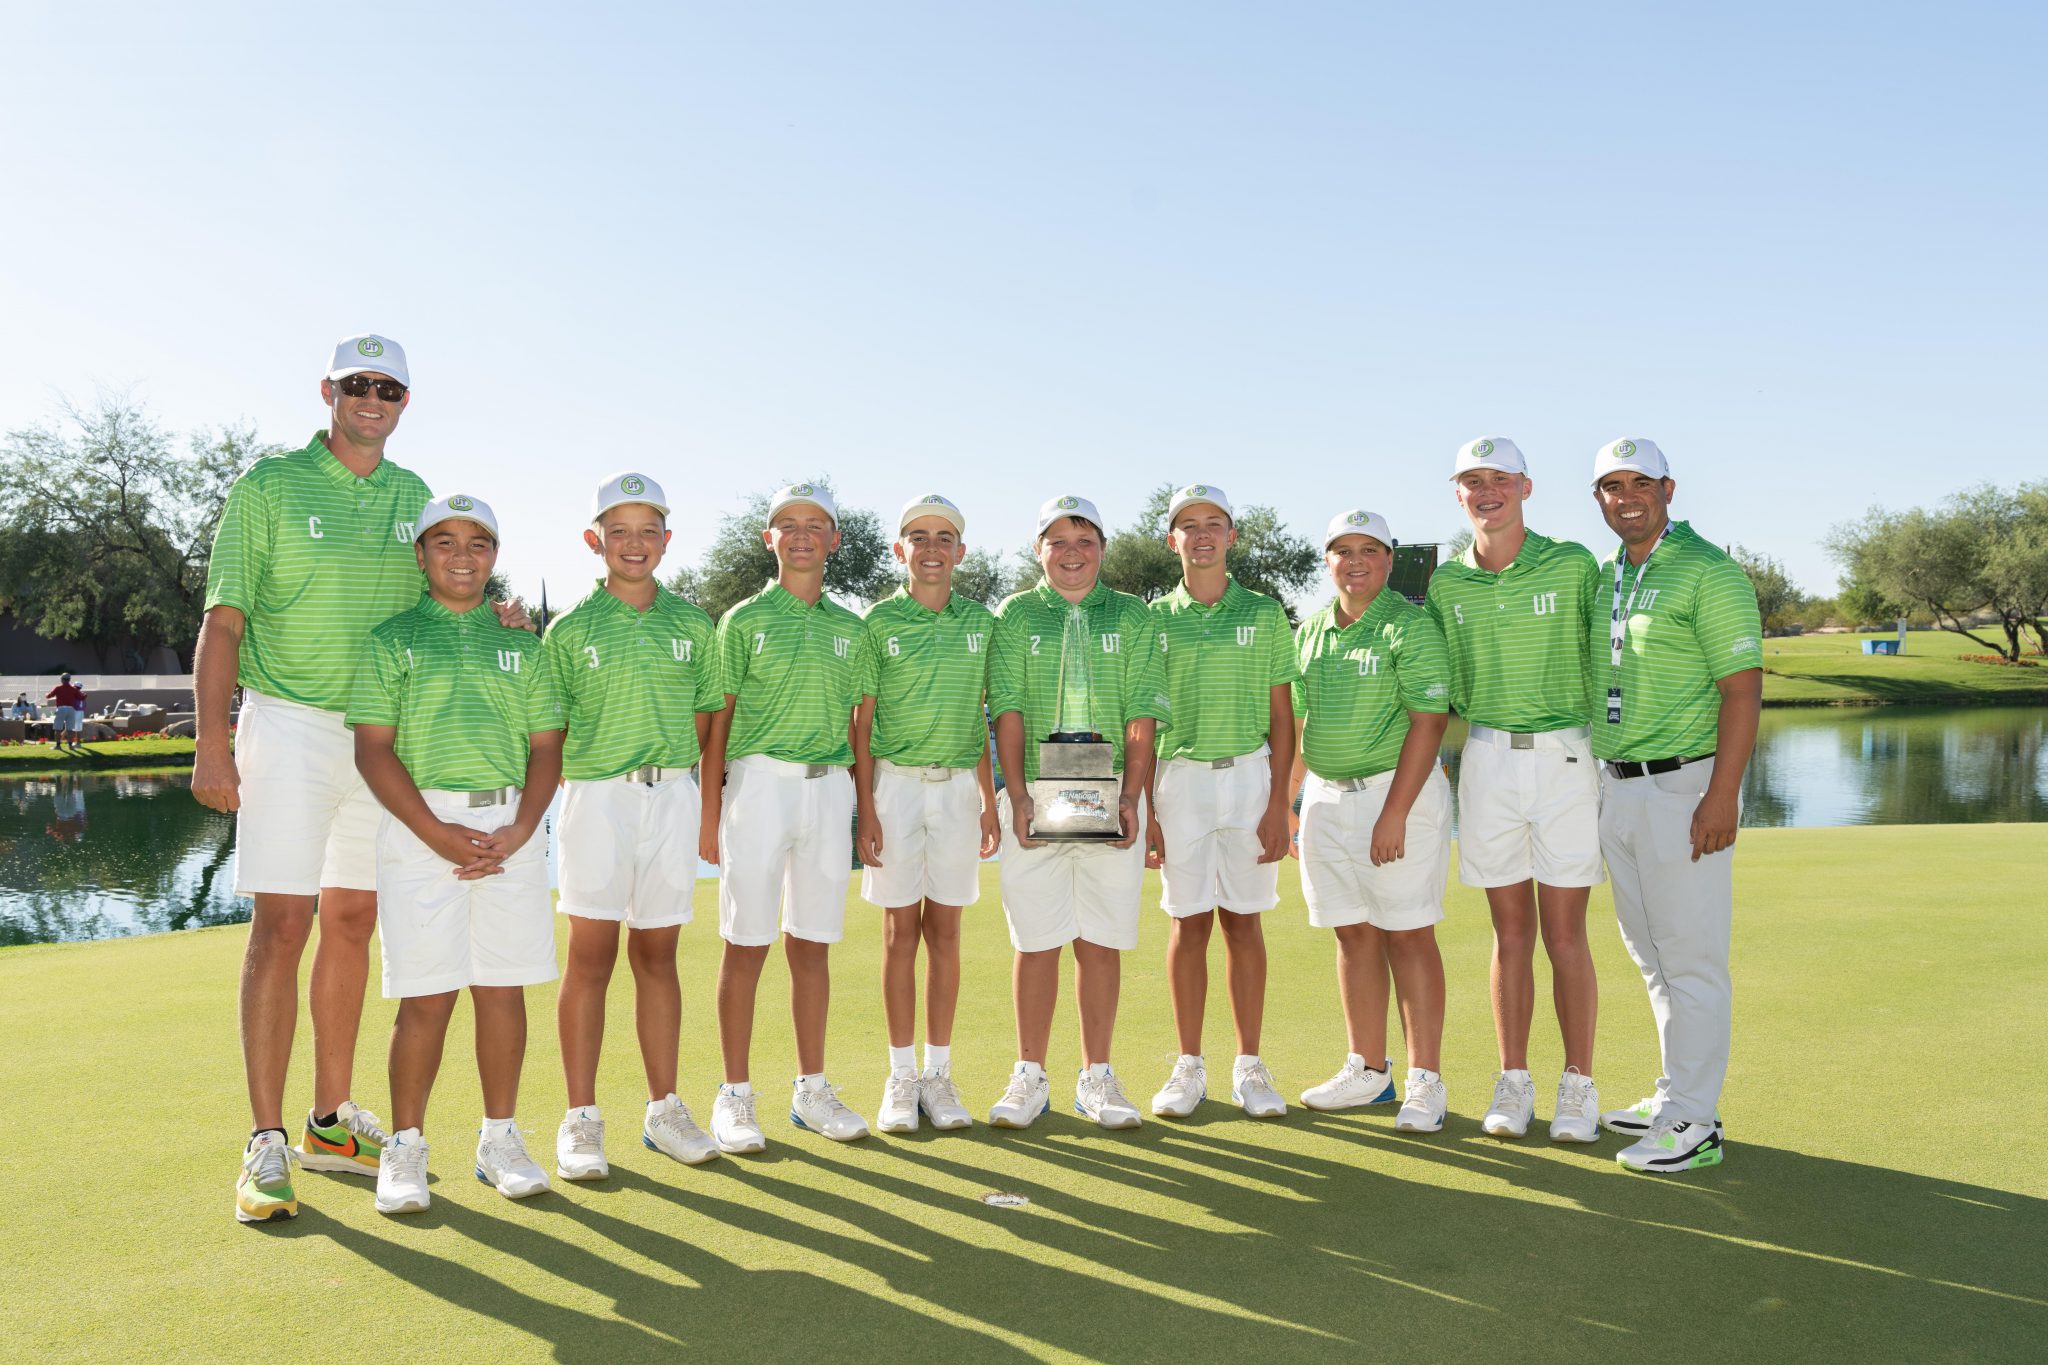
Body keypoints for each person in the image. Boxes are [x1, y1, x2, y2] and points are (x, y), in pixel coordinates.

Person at [194, 333, 526, 1224]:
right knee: (282, 923)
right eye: (357, 384)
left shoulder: (415, 497)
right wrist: (212, 743)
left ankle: (330, 1121)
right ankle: (265, 1140)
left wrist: (490, 612)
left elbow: (434, 599)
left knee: (351, 918)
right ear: (328, 391)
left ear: (404, 402)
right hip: (290, 726)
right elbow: (224, 623)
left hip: (380, 739)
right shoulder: (268, 486)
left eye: (389, 387)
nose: (372, 397)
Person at [348, 494, 564, 1215]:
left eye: (478, 542)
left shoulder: (523, 645)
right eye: (444, 541)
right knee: (427, 995)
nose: (462, 554)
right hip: (420, 827)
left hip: (511, 826)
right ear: (421, 555)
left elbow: (546, 747)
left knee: (502, 988)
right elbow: (373, 749)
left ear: (495, 557)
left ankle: (499, 1137)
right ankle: (406, 1146)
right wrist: (434, 832)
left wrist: (525, 827)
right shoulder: (391, 639)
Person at [1585, 439, 1763, 1174]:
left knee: (1691, 961)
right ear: (1598, 499)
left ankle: (1697, 1122)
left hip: (1686, 786)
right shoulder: (1608, 577)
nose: (1626, 496)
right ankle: (1673, 1095)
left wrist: (1722, 794)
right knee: (1653, 956)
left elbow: (1743, 690)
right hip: (1619, 785)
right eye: (1610, 486)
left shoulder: (1710, 572)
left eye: (1639, 483)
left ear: (1668, 488)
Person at [543, 473, 726, 1179]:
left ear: (667, 540)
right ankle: (580, 1119)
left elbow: (710, 718)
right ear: (595, 540)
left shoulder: (691, 624)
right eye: (618, 530)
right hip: (596, 798)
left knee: (658, 956)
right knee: (590, 958)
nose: (633, 543)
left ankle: (663, 1109)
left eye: (648, 530)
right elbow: (549, 730)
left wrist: (705, 808)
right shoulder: (569, 630)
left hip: (671, 797)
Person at [1424, 438, 1605, 1143]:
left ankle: (1579, 1087)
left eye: (1500, 478)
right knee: (1509, 932)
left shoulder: (1572, 563)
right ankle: (1515, 1080)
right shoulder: (1446, 584)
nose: (1487, 490)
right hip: (1489, 756)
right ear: (1458, 493)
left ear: (1526, 487)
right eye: (1474, 480)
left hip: (1565, 754)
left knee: (1565, 933)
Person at [986, 495, 1168, 1131]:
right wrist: (1015, 795)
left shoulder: (1132, 615)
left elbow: (1142, 714)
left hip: (1109, 788)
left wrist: (1131, 795)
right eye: (1057, 540)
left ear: (1102, 550)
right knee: (1036, 940)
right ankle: (1030, 1074)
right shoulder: (1014, 614)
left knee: (1100, 938)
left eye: (1084, 541)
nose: (1071, 553)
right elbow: (1006, 709)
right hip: (1035, 789)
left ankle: (1097, 1076)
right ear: (1038, 549)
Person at [698, 483, 870, 1152]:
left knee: (813, 943)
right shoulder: (741, 621)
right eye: (786, 524)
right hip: (758, 784)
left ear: (834, 539)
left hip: (829, 789)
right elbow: (720, 720)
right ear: (769, 538)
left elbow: (861, 727)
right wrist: (710, 808)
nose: (801, 534)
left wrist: (867, 805)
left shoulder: (852, 629)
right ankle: (735, 1095)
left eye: (815, 524)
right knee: (746, 942)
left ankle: (812, 1089)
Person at [1291, 510, 1455, 1133]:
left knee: (1408, 933)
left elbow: (1429, 721)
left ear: (1388, 560)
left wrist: (1394, 814)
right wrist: (1291, 800)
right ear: (1327, 561)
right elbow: (1304, 726)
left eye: (1369, 550)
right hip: (1327, 799)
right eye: (1342, 550)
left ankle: (1425, 1081)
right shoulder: (1309, 633)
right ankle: (1369, 1069)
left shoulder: (1410, 627)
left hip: (1397, 795)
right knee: (1351, 932)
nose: (1355, 561)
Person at [1143, 484, 1298, 1121]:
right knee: (1188, 922)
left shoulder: (1264, 613)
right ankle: (1188, 1066)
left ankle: (1249, 1065)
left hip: (1250, 777)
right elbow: (1142, 720)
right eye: (1188, 525)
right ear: (1171, 540)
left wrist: (1279, 804)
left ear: (1231, 536)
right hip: (1179, 779)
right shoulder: (1151, 620)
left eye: (1214, 524)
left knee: (1243, 922)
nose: (1202, 535)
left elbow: (1283, 719)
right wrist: (1145, 805)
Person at [852, 494, 1000, 1135]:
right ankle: (900, 1076)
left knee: (946, 932)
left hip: (957, 790)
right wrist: (865, 808)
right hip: (895, 787)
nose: (932, 548)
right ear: (900, 550)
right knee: (897, 934)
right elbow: (860, 724)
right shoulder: (876, 622)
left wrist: (991, 799)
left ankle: (938, 1075)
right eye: (919, 536)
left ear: (960, 552)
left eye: (945, 538)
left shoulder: (984, 624)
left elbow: (987, 717)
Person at [45, 674, 87, 753]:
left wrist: (46, 694)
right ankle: (70, 746)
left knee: (58, 728)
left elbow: (49, 696)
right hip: (71, 709)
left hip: (61, 709)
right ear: (69, 680)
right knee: (70, 729)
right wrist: (84, 695)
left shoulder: (58, 688)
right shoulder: (73, 689)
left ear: (62, 679)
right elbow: (82, 697)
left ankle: (58, 745)